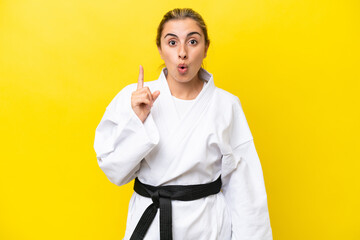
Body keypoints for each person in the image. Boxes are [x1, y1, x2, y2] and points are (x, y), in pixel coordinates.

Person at [94, 8, 273, 240]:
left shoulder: (226, 104)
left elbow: (245, 188)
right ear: (160, 49)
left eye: (192, 41)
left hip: (207, 226)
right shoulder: (134, 97)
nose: (182, 53)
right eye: (172, 42)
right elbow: (114, 171)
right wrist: (136, 121)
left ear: (206, 47)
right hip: (151, 226)